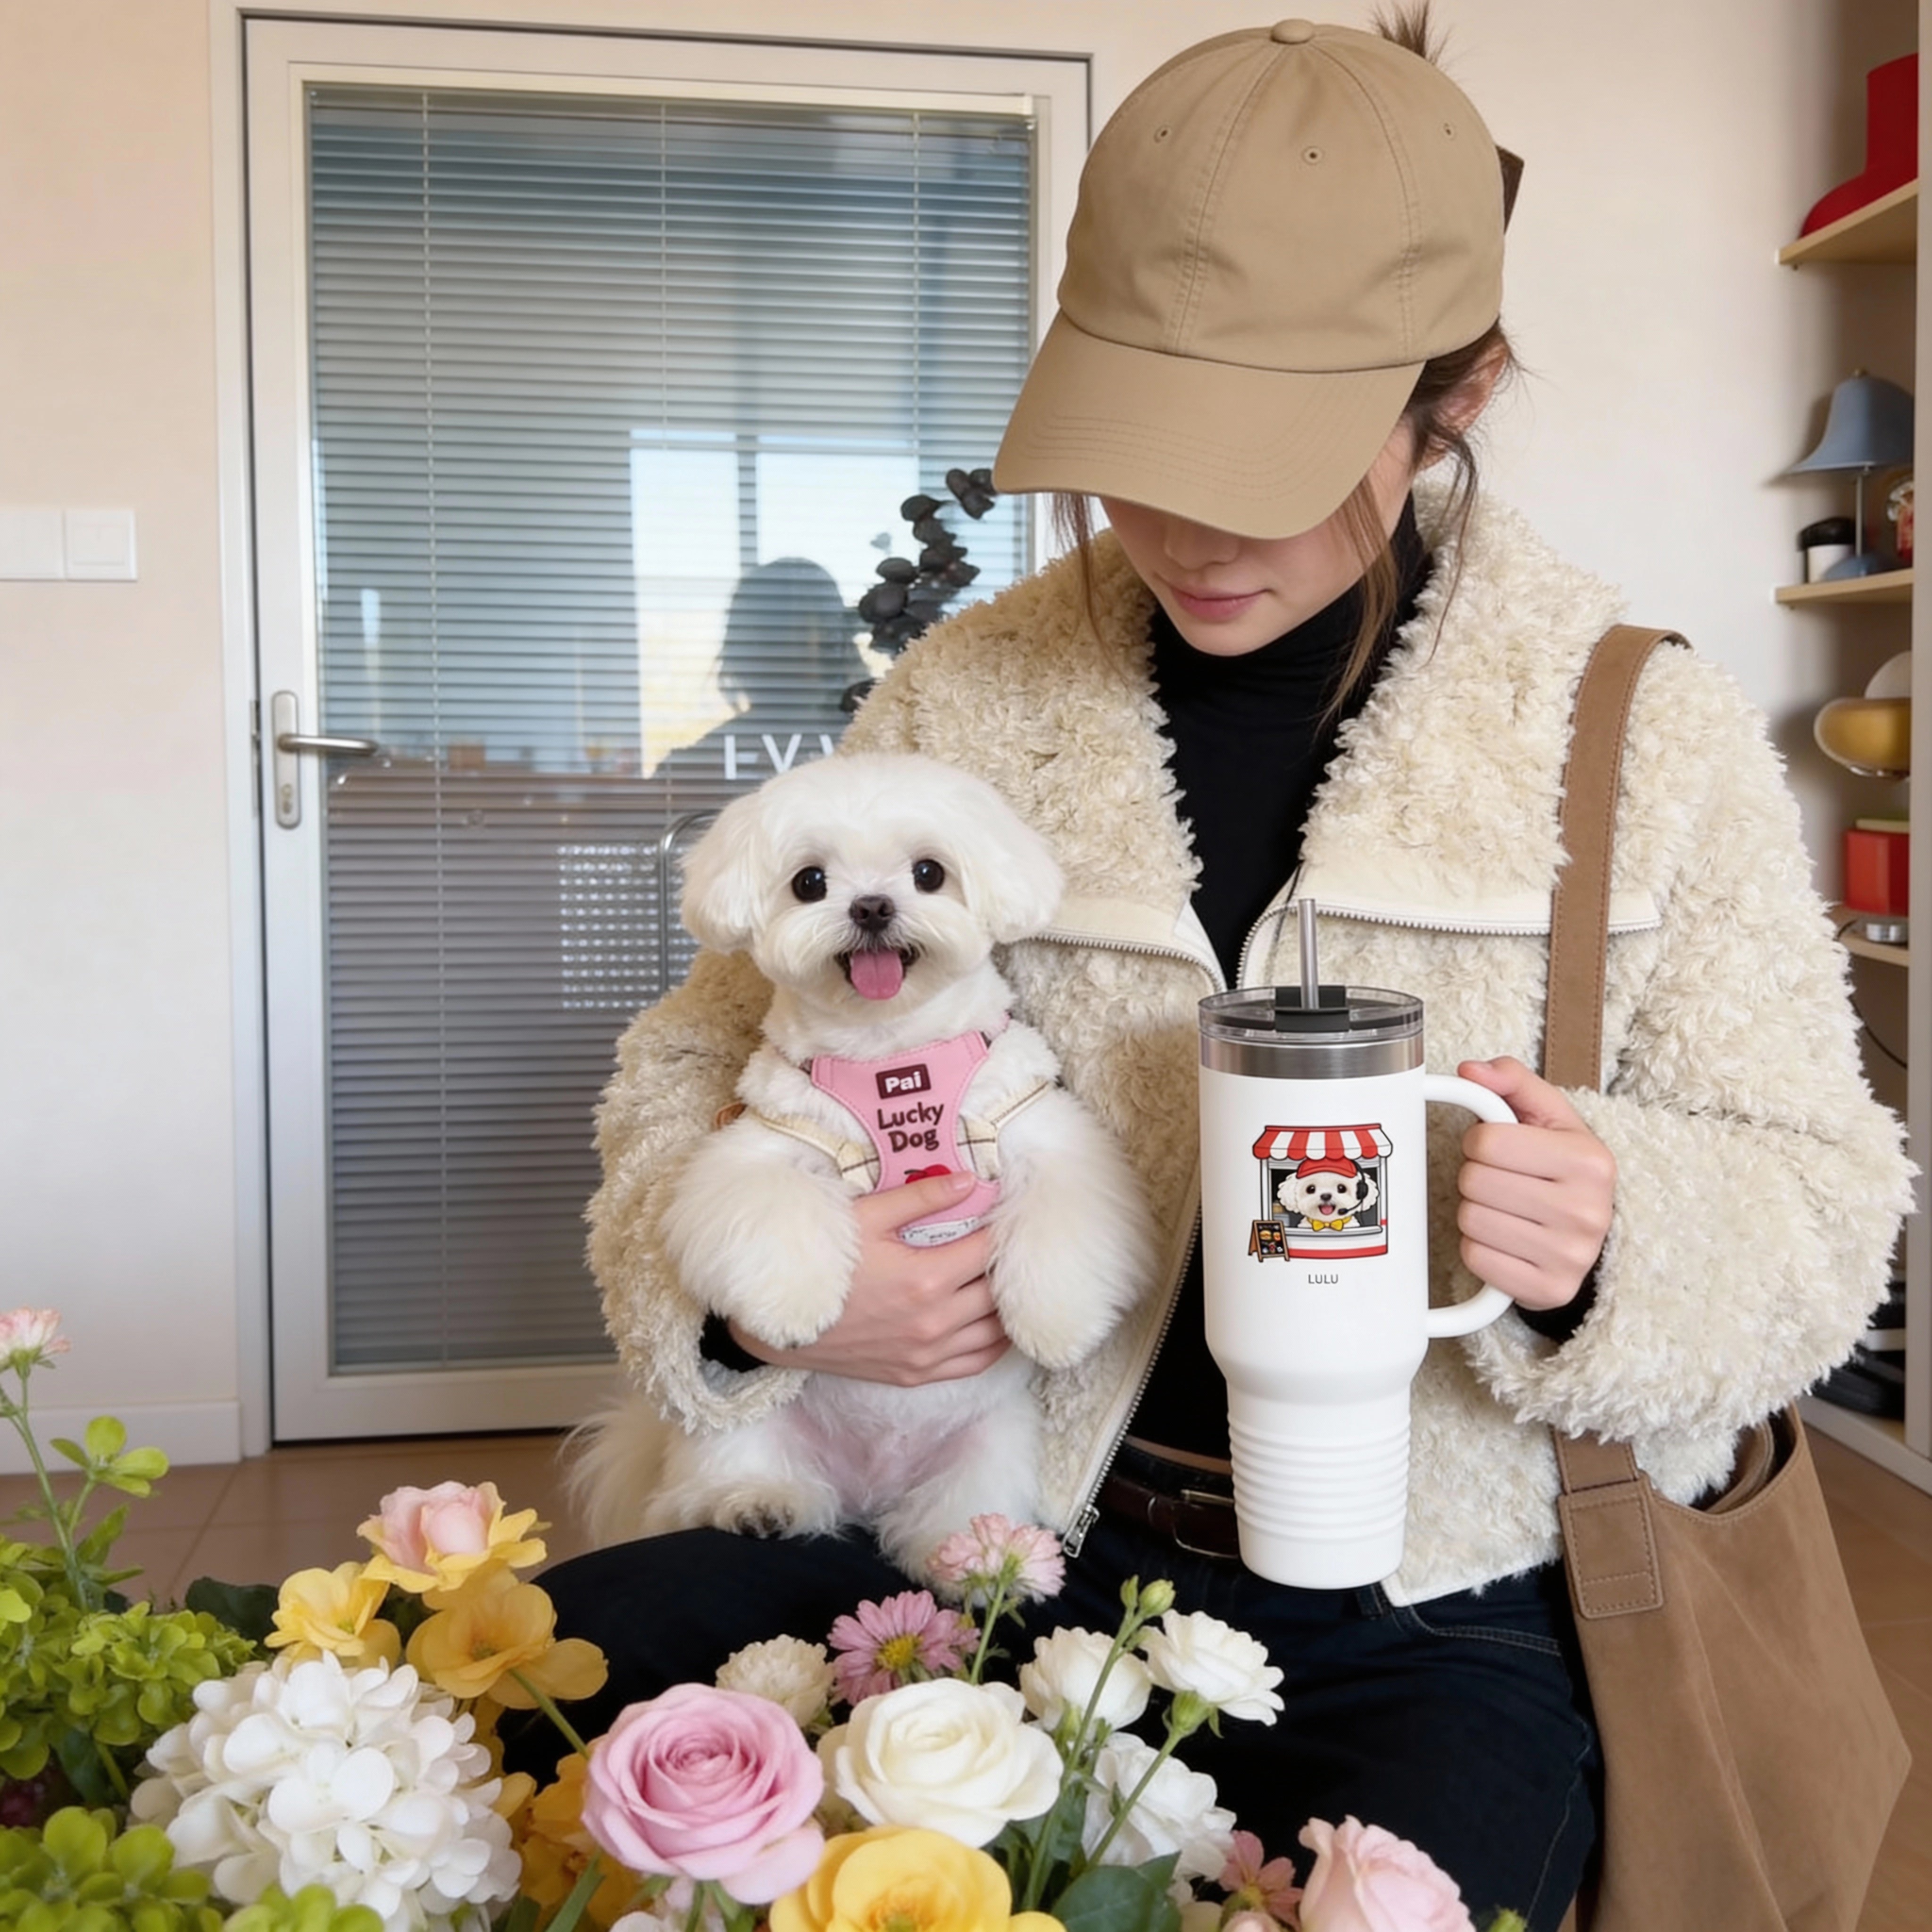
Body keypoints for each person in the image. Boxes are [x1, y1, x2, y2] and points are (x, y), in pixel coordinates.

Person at [527, 17, 1912, 1930]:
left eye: (1256, 457)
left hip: (1446, 1600)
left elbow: (1831, 1200)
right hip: (997, 1517)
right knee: (484, 1708)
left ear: (1463, 391)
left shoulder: (1635, 736)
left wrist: (1612, 1229)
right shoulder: (973, 694)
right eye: (1135, 452)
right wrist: (776, 1314)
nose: (1181, 528)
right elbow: (689, 1075)